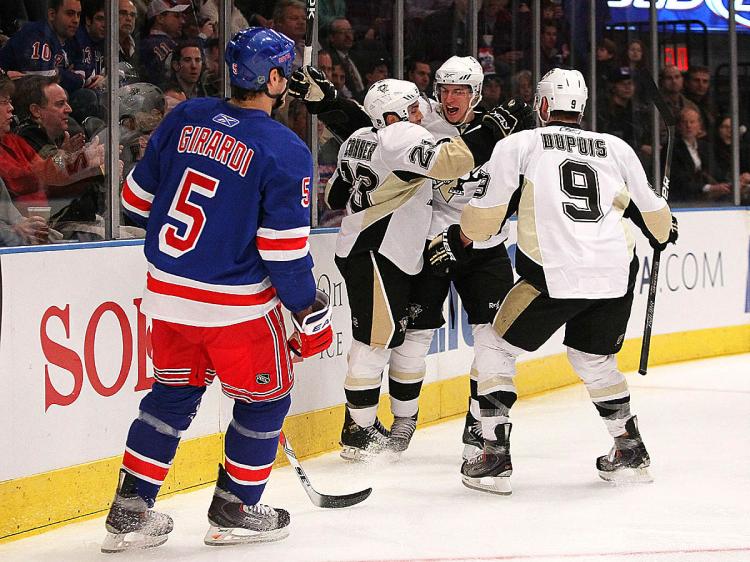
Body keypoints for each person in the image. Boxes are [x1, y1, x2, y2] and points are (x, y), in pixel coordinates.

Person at [101, 27, 333, 552]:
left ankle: (129, 512)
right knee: (264, 399)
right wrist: (308, 307)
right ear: (275, 77)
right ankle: (235, 508)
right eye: (287, 71)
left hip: (167, 295)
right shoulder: (286, 149)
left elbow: (135, 202)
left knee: (170, 397)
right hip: (236, 310)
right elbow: (281, 251)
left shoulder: (187, 116)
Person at [427, 68, 678, 495]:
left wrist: (458, 237)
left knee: (494, 344)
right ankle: (629, 448)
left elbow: (486, 219)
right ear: (580, 107)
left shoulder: (520, 144)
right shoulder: (615, 147)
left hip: (554, 271)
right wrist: (664, 227)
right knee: (593, 360)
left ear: (543, 105)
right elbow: (657, 222)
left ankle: (492, 454)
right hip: (616, 274)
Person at [289, 59, 533, 461]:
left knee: (489, 338)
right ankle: (383, 426)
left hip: (479, 244)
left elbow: (354, 143)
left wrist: (326, 100)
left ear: (476, 92)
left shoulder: (398, 127)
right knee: (401, 340)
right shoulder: (415, 128)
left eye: (460, 90)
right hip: (424, 244)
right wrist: (329, 101)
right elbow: (441, 153)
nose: (446, 99)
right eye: (443, 89)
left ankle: (478, 419)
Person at [0, 0, 85, 94]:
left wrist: (58, 72)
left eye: (78, 15)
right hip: (11, 95)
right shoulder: (34, 33)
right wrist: (69, 75)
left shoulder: (73, 38)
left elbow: (84, 72)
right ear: (52, 14)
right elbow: (41, 83)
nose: (76, 20)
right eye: (70, 14)